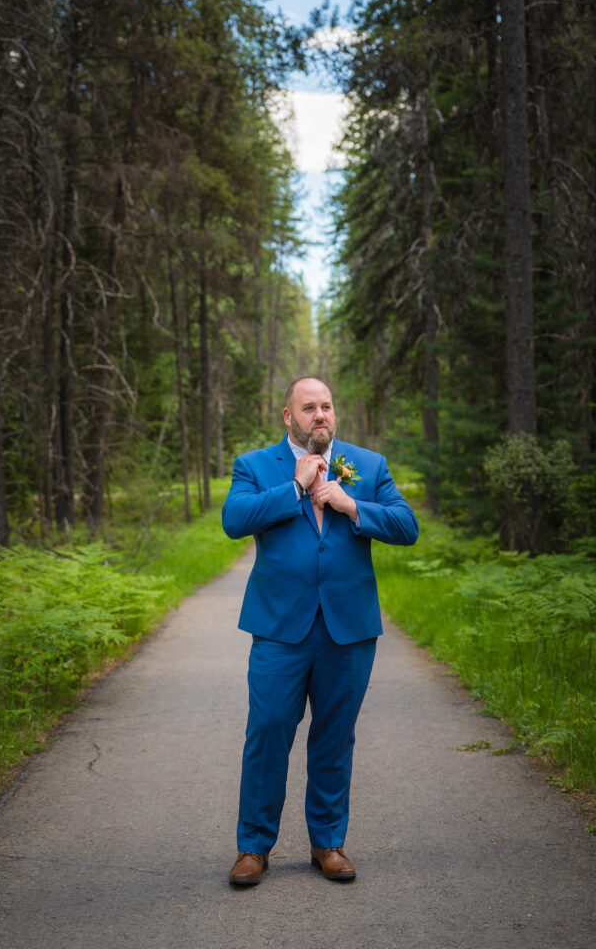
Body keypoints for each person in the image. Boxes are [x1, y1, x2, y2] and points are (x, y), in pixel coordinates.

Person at [222, 376, 419, 885]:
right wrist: (294, 486)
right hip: (279, 627)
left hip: (347, 629)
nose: (320, 416)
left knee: (334, 737)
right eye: (309, 408)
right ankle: (253, 847)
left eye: (327, 406)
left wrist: (352, 506)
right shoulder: (256, 466)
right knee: (267, 732)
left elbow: (406, 526)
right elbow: (234, 519)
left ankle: (328, 843)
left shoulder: (368, 466)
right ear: (289, 417)